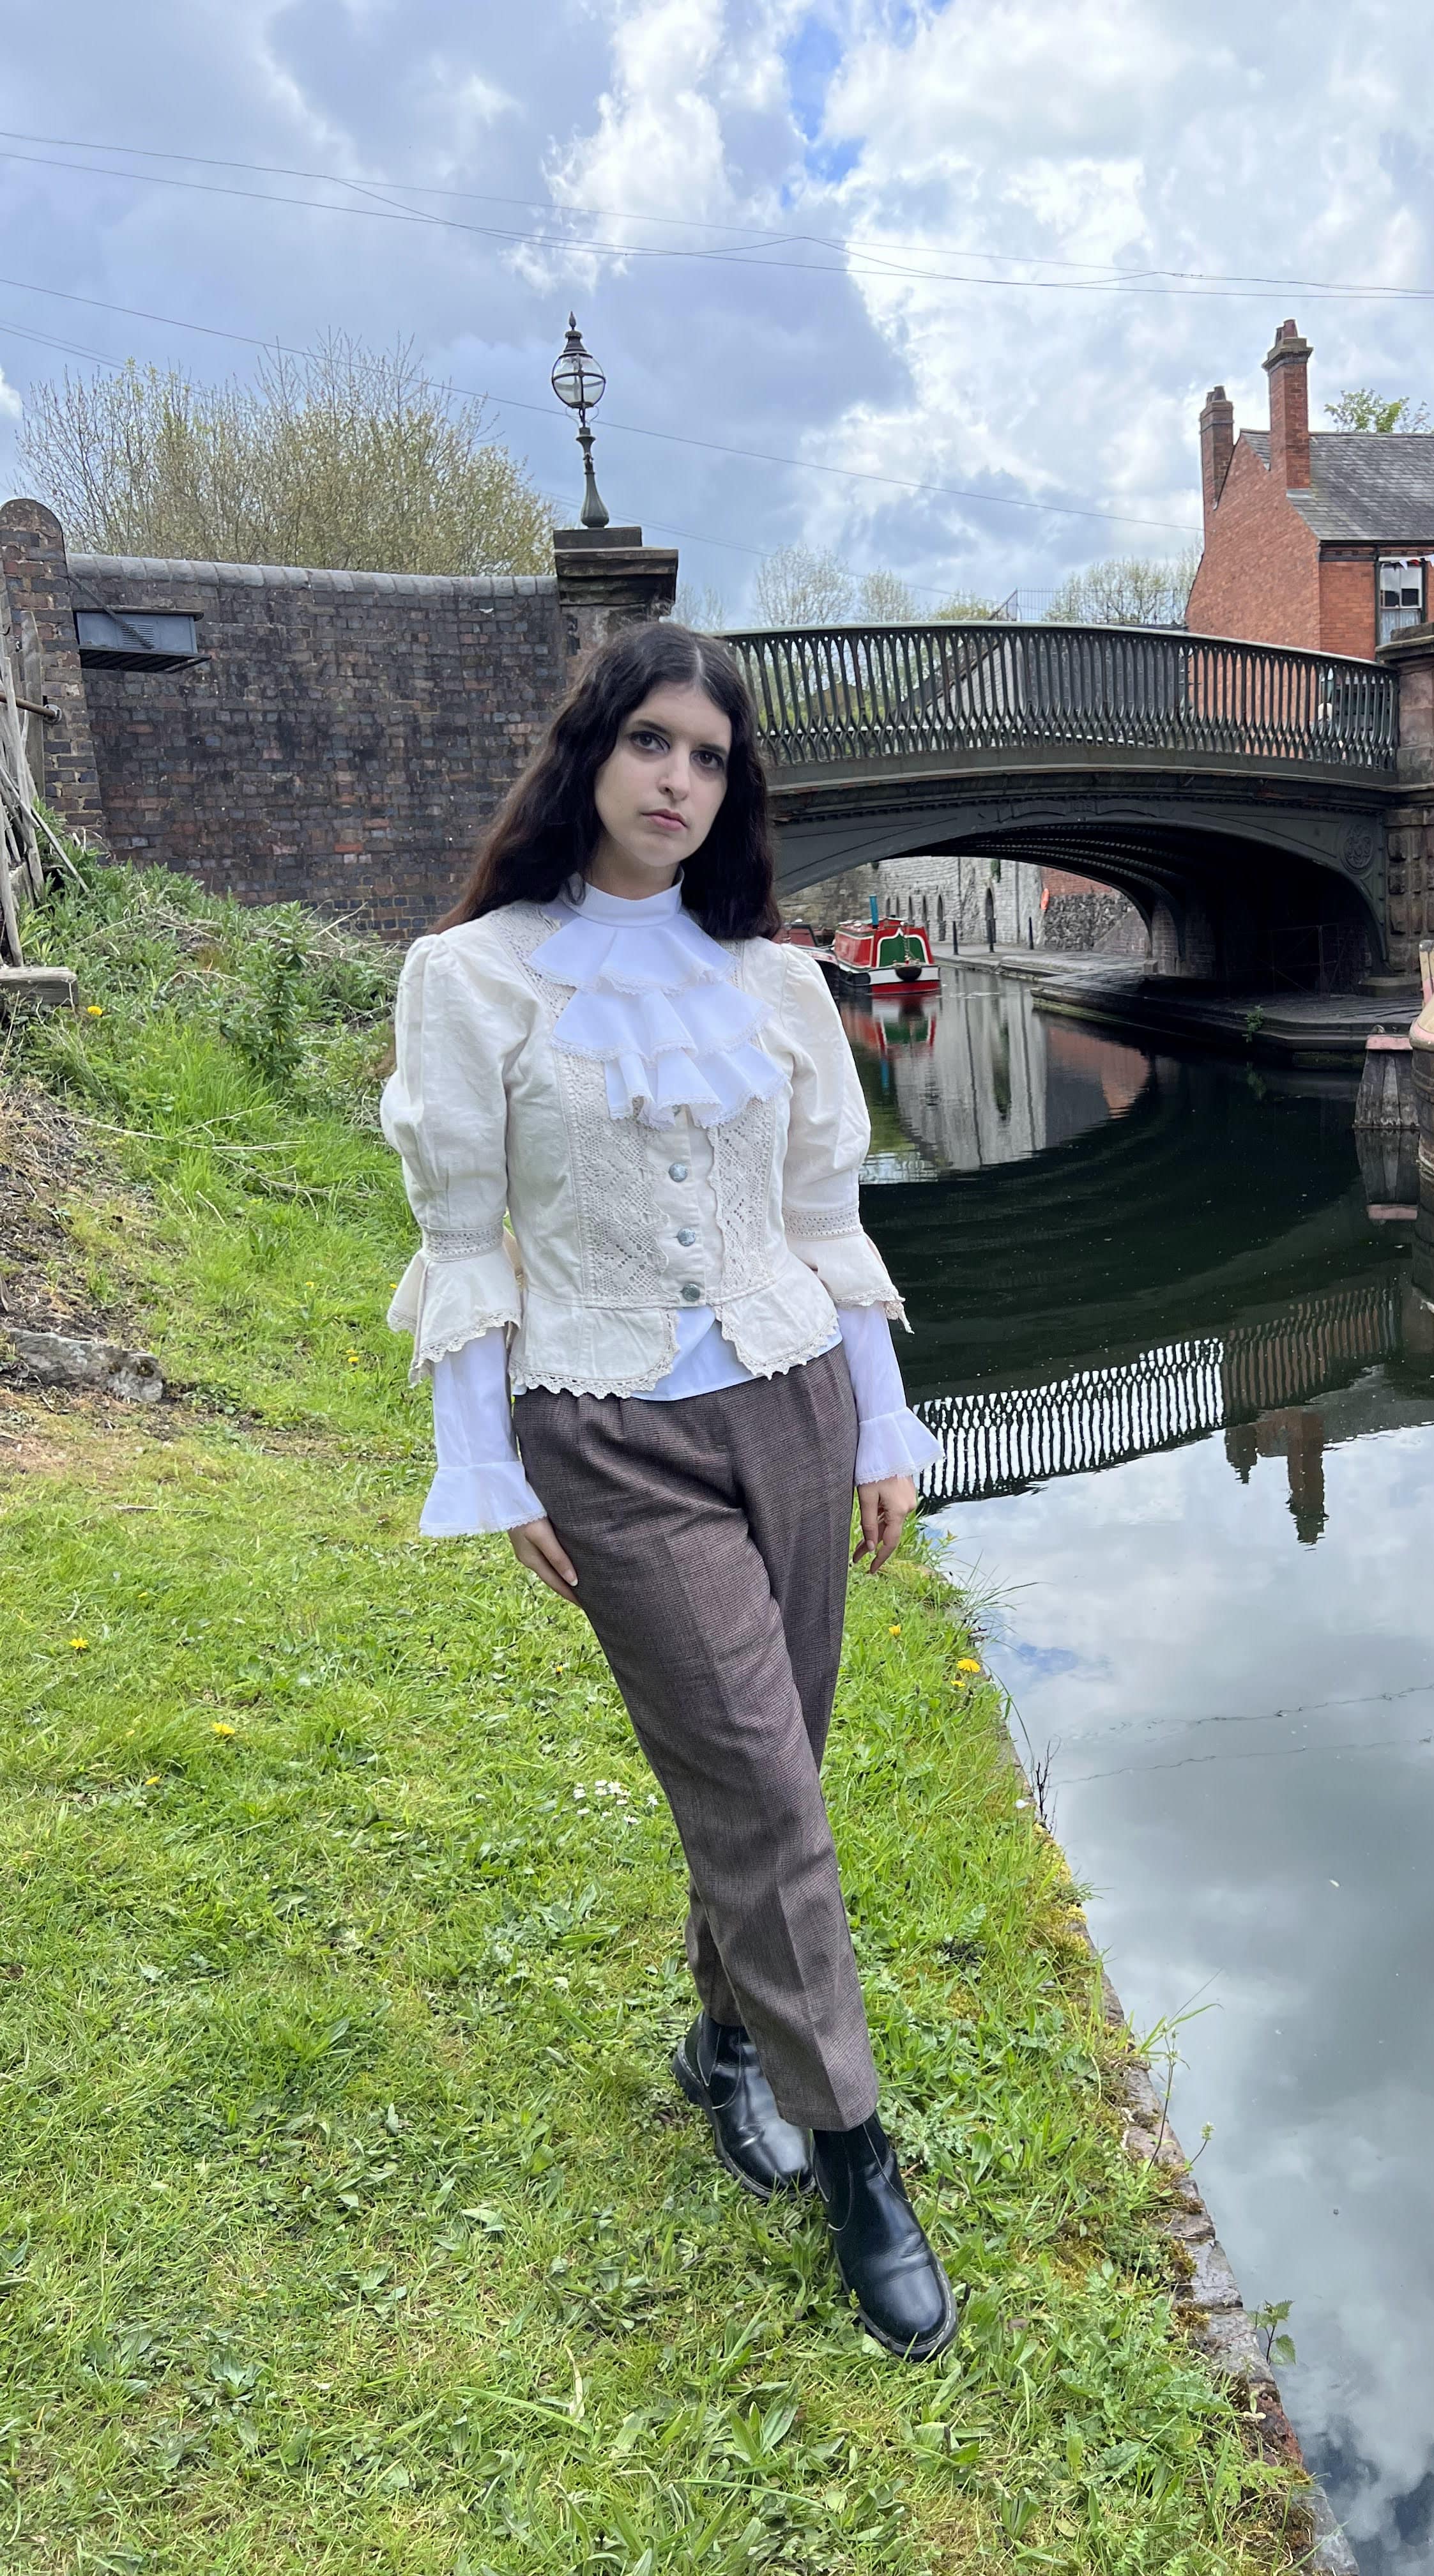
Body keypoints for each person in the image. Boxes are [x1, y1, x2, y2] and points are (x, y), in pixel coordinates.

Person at [380, 623, 957, 2362]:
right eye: (652, 744)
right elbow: (461, 1237)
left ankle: (723, 2045)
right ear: (591, 754)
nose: (678, 781)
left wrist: (881, 1428)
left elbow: (824, 1226)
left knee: (768, 1763)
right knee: (770, 1790)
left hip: (788, 1405)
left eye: (710, 758)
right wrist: (489, 1470)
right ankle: (858, 2153)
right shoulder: (472, 977)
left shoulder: (778, 985)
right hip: (609, 1435)